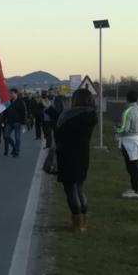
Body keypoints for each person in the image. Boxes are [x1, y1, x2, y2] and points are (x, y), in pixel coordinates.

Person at [55, 89, 98, 231]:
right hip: (83, 155)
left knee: (70, 190)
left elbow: (59, 134)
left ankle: (77, 223)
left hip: (67, 155)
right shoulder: (92, 115)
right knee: (79, 189)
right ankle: (84, 222)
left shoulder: (68, 115)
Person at [115, 90, 138, 198]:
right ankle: (135, 188)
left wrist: (117, 129)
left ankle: (136, 190)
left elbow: (124, 129)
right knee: (135, 165)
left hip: (129, 141)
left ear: (127, 99)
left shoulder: (127, 111)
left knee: (131, 166)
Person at [2, 88, 28, 158]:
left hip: (18, 122)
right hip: (9, 122)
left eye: (12, 93)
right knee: (6, 136)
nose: (11, 94)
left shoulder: (21, 102)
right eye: (10, 93)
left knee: (17, 138)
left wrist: (24, 123)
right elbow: (5, 112)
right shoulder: (8, 102)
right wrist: (3, 120)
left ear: (16, 93)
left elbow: (24, 112)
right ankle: (14, 147)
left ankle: (17, 152)